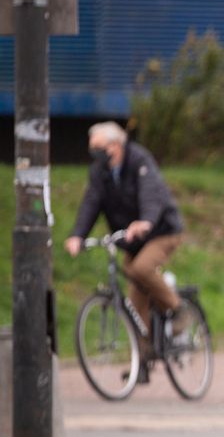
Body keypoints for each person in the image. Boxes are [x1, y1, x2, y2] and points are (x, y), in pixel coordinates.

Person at [65, 122, 185, 356]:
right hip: (133, 239)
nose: (94, 153)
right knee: (134, 292)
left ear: (116, 145)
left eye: (98, 147)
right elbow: (91, 202)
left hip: (162, 231)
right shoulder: (100, 172)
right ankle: (143, 354)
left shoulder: (139, 160)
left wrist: (146, 221)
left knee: (142, 267)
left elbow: (151, 193)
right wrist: (78, 235)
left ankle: (178, 309)